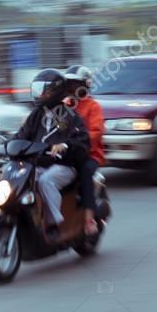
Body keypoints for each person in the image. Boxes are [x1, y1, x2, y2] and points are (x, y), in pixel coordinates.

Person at [0, 69, 90, 231]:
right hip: (38, 163)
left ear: (57, 91)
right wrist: (3, 147)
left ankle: (54, 224)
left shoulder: (69, 116)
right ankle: (22, 215)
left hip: (64, 165)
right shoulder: (36, 115)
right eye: (39, 89)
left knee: (46, 181)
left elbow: (82, 140)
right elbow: (21, 136)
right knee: (13, 177)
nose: (41, 94)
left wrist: (64, 145)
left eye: (45, 90)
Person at [64, 65, 104, 236]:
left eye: (75, 84)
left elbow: (97, 132)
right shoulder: (65, 106)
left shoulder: (93, 106)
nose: (72, 88)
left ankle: (89, 219)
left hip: (90, 155)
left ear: (85, 85)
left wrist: (78, 141)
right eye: (70, 84)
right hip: (67, 153)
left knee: (84, 172)